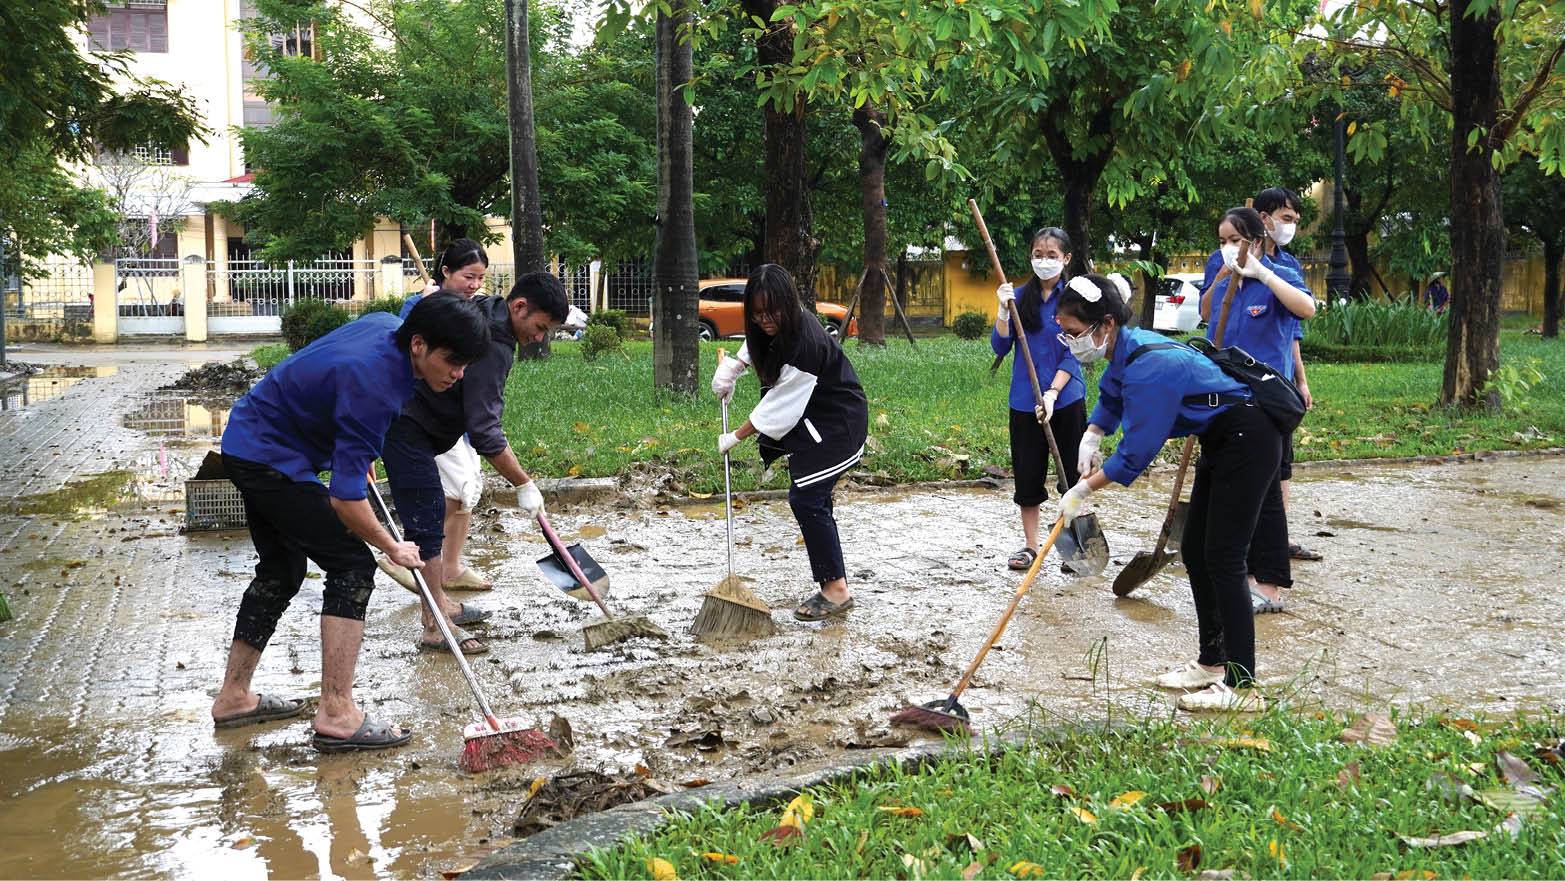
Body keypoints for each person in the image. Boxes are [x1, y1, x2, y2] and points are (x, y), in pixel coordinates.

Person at [210, 295, 490, 751]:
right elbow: (345, 501)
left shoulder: (387, 326)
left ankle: (234, 697)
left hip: (251, 438)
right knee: (352, 567)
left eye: (466, 364)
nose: (458, 373)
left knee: (281, 571)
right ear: (418, 344)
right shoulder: (375, 386)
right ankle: (337, 712)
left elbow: (331, 385)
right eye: (453, 361)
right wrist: (391, 546)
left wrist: (351, 450)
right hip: (271, 458)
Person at [1054, 273, 1282, 712]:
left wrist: (1082, 490)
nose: (1070, 341)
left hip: (1249, 439)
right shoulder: (1130, 346)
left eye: (1073, 332)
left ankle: (1243, 686)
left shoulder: (1150, 367)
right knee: (1197, 551)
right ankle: (1212, 663)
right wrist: (1094, 431)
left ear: (1104, 325)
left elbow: (1135, 456)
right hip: (1224, 439)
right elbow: (1112, 392)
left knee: (1225, 557)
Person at [379, 272, 569, 654]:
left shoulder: (487, 309)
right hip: (406, 423)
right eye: (540, 327)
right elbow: (483, 428)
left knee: (432, 511)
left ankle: (441, 603)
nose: (539, 338)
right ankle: (435, 624)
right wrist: (523, 483)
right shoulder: (496, 343)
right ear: (519, 307)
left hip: (413, 416)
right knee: (428, 517)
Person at [709, 264, 869, 622]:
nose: (766, 320)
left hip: (838, 423)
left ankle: (836, 591)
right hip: (814, 418)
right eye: (758, 314)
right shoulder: (778, 325)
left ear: (788, 304)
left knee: (807, 497)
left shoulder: (806, 343)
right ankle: (835, 582)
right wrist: (735, 366)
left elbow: (779, 406)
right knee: (813, 495)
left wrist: (735, 436)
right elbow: (762, 343)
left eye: (772, 312)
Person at [1199, 205, 1317, 614]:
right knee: (1237, 493)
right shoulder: (1226, 278)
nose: (1229, 248)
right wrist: (1222, 276)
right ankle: (1241, 578)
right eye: (1222, 242)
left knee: (1264, 497)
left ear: (1257, 240)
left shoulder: (1279, 277)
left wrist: (1262, 274)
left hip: (1266, 403)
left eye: (1235, 241)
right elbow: (1205, 314)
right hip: (1226, 401)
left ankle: (1266, 586)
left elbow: (1306, 309)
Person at [378, 239, 497, 595]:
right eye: (467, 276)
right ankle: (410, 554)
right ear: (445, 272)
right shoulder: (419, 306)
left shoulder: (475, 309)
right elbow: (401, 349)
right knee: (452, 491)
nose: (474, 285)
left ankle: (450, 566)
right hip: (422, 415)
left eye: (480, 278)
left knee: (468, 490)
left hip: (458, 418)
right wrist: (428, 309)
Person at [991, 227, 1086, 573]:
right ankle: (1031, 545)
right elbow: (1000, 347)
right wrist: (1003, 312)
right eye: (1038, 254)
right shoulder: (1018, 298)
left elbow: (1076, 353)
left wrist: (1052, 392)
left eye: (1052, 255)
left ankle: (1074, 541)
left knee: (1072, 477)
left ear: (1066, 259)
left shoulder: (1076, 299)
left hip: (1066, 399)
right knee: (1028, 475)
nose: (1043, 261)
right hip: (1024, 401)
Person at [1251, 187, 1324, 565]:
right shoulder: (1225, 260)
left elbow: (1294, 328)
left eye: (1294, 220)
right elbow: (1212, 311)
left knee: (1281, 462)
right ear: (1264, 218)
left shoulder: (1290, 268)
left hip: (1278, 382)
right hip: (1238, 381)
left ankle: (1277, 539)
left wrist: (1301, 378)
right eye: (1286, 218)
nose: (1291, 226)